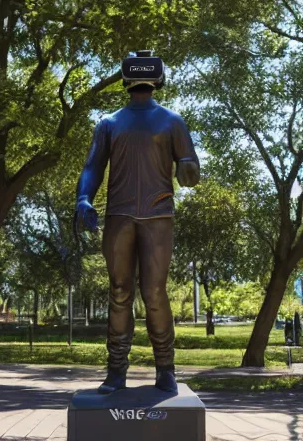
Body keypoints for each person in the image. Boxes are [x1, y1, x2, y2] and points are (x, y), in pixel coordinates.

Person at [75, 53, 199, 394]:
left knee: (155, 293)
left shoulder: (172, 121)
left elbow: (190, 169)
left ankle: (166, 369)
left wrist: (188, 166)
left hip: (158, 217)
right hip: (120, 216)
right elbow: (93, 167)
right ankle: (116, 371)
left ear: (155, 78)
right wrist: (83, 197)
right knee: (119, 293)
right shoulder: (109, 123)